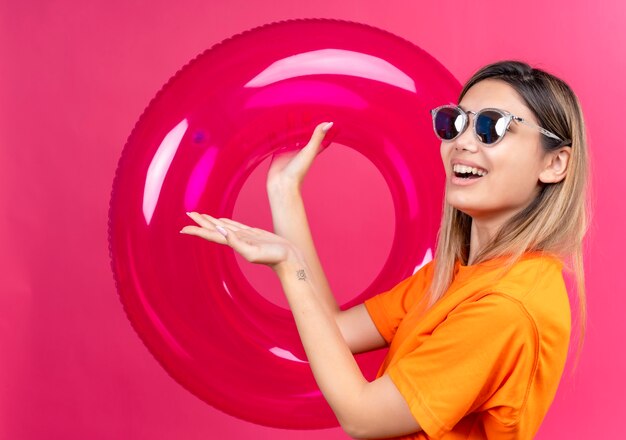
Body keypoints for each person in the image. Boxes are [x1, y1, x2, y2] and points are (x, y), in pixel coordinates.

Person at [180, 60, 589, 439]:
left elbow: (364, 417)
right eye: (454, 122)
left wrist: (292, 267)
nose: (462, 142)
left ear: (554, 164)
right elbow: (334, 332)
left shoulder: (506, 307)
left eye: (492, 127)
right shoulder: (464, 275)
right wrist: (284, 191)